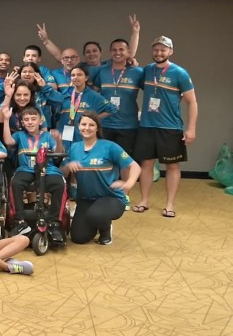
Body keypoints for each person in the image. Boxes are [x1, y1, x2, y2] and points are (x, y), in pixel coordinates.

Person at [134, 36, 198, 218]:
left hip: (170, 127)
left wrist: (191, 128)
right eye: (156, 49)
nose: (159, 53)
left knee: (172, 166)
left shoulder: (180, 73)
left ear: (170, 51)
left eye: (163, 50)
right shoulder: (147, 70)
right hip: (147, 126)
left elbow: (192, 102)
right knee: (146, 164)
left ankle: (169, 205)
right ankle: (144, 201)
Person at [64, 112, 141, 245]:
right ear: (78, 126)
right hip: (85, 199)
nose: (87, 128)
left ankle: (105, 229)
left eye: (91, 125)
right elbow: (63, 171)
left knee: (96, 214)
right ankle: (94, 222)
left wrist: (128, 183)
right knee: (78, 238)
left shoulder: (110, 147)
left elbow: (135, 166)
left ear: (97, 128)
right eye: (83, 124)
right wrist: (68, 166)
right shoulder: (74, 148)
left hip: (110, 197)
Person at [2, 106, 67, 243]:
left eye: (33, 119)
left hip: (48, 169)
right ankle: (20, 221)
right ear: (22, 123)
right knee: (15, 183)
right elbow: (8, 141)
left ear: (40, 120)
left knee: (59, 184)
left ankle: (54, 223)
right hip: (26, 169)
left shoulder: (48, 136)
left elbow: (57, 153)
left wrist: (58, 141)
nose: (30, 122)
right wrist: (6, 120)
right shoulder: (19, 135)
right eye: (26, 120)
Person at [91, 38, 144, 158]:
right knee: (104, 160)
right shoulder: (102, 71)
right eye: (114, 50)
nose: (117, 52)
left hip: (128, 126)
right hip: (104, 125)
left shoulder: (138, 72)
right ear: (110, 52)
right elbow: (93, 94)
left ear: (128, 52)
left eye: (121, 49)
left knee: (124, 161)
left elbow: (152, 91)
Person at [53, 64, 114, 149]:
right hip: (65, 133)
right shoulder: (64, 94)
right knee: (65, 154)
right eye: (73, 75)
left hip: (82, 135)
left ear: (86, 78)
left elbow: (112, 109)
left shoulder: (93, 95)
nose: (76, 77)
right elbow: (57, 115)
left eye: (79, 75)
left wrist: (94, 118)